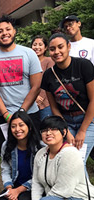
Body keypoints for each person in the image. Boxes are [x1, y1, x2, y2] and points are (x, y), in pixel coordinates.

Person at [0, 15, 42, 156]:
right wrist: (7, 115)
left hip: (30, 113)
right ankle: (10, 178)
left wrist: (21, 112)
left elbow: (36, 86)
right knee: (6, 155)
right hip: (3, 116)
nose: (4, 33)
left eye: (8, 29)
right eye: (0, 31)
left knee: (35, 153)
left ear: (14, 31)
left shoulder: (29, 53)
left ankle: (33, 179)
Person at [41, 33, 94, 164]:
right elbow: (54, 107)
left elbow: (93, 100)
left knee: (77, 160)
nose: (57, 52)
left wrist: (82, 131)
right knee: (68, 159)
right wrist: (65, 130)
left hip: (88, 119)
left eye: (60, 47)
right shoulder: (48, 75)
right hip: (66, 121)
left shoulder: (84, 65)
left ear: (68, 46)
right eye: (52, 49)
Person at [32, 116, 94, 199]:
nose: (48, 133)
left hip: (77, 197)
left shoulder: (70, 153)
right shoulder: (41, 153)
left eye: (54, 129)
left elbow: (64, 190)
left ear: (64, 132)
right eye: (44, 130)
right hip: (53, 197)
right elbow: (36, 183)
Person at [0, 111, 43, 200]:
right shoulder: (6, 146)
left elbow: (39, 177)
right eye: (13, 126)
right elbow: (5, 169)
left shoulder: (40, 147)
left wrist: (18, 191)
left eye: (21, 125)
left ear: (29, 127)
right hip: (14, 186)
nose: (17, 129)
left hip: (34, 187)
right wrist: (9, 189)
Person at [31, 35, 55, 121]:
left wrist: (40, 97)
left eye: (40, 44)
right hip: (30, 101)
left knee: (46, 127)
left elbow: (49, 81)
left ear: (45, 48)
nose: (37, 47)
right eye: (34, 44)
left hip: (46, 102)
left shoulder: (49, 61)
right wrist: (34, 97)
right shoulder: (29, 62)